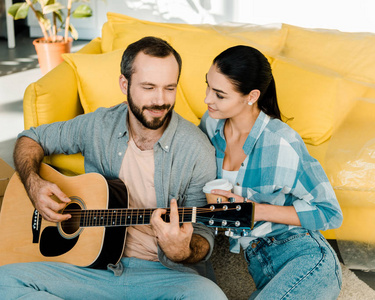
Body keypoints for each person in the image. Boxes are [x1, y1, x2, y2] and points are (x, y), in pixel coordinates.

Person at [0, 37, 227, 300]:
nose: (160, 100)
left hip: (161, 273)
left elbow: (203, 234)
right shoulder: (99, 125)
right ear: (124, 84)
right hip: (89, 269)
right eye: (148, 87)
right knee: (6, 281)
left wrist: (183, 251)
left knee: (210, 296)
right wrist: (33, 183)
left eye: (169, 88)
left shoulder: (197, 149)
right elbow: (31, 138)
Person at [199, 45, 344, 300]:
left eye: (219, 94)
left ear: (251, 96)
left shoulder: (281, 143)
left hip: (305, 255)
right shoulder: (211, 124)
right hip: (258, 259)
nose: (207, 99)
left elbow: (330, 213)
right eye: (208, 86)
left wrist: (253, 210)